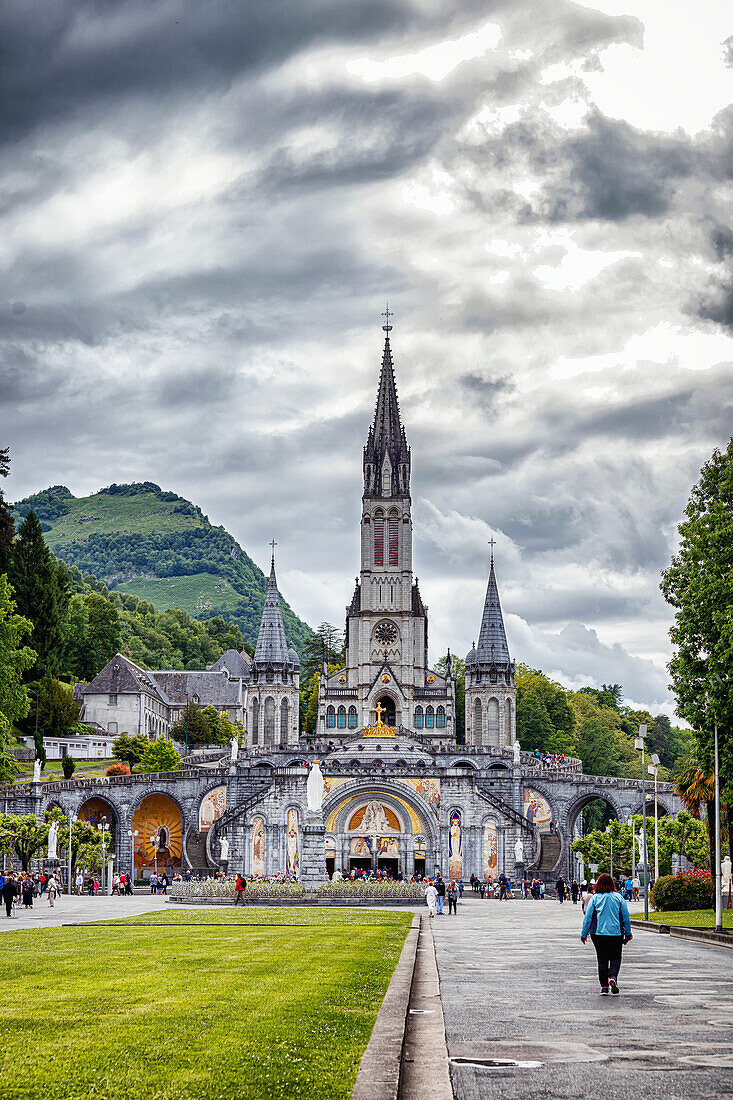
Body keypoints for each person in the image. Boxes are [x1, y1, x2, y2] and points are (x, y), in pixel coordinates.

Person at [581, 872, 632, 995]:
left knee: (602, 959)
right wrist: (628, 932)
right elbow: (625, 916)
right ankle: (613, 977)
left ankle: (604, 987)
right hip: (616, 932)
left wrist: (584, 933)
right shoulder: (619, 897)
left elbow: (588, 917)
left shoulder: (595, 898)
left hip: (598, 933)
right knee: (615, 957)